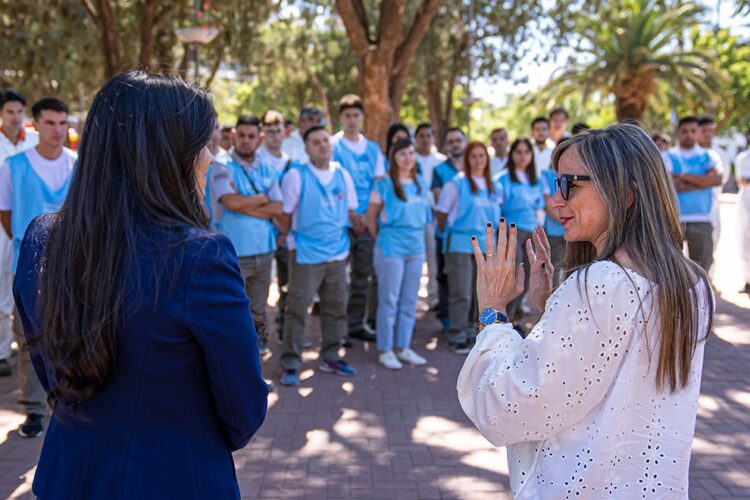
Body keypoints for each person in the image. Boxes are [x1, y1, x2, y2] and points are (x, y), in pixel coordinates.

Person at [13, 72, 269, 498]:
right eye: (204, 145)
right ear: (168, 154)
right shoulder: (200, 256)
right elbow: (243, 407)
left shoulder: (42, 237)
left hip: (70, 473)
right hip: (171, 476)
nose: (211, 160)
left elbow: (51, 367)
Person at [457, 123, 713, 498]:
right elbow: (615, 367)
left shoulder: (600, 285)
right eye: (555, 183)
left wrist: (493, 312)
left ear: (624, 193)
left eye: (570, 185)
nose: (556, 200)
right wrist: (552, 310)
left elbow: (508, 407)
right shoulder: (693, 283)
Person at [0, 97, 75, 438]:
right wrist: (28, 245)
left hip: (73, 263)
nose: (57, 130)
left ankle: (66, 401)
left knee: (69, 331)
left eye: (62, 123)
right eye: (49, 123)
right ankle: (33, 409)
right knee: (29, 334)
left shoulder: (78, 164)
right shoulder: (13, 166)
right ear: (36, 124)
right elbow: (5, 214)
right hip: (28, 266)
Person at [278, 126, 359, 386]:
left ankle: (331, 356)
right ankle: (291, 363)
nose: (322, 145)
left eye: (325, 141)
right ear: (306, 148)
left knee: (335, 309)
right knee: (297, 310)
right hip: (306, 255)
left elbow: (351, 211)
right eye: (316, 142)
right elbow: (284, 213)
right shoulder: (296, 175)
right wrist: (288, 239)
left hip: (337, 253)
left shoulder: (343, 174)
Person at [207, 114, 283, 356]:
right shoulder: (220, 165)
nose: (246, 141)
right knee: (231, 313)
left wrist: (247, 203)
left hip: (264, 250)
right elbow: (230, 202)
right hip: (233, 252)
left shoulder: (267, 167)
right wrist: (261, 199)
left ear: (260, 139)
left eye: (251, 136)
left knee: (258, 312)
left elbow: (278, 208)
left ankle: (255, 368)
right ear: (233, 136)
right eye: (241, 135)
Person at [366, 138, 431, 369]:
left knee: (409, 300)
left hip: (415, 248)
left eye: (411, 153)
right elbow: (370, 218)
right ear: (393, 157)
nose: (408, 157)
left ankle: (403, 347)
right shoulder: (383, 184)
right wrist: (382, 239)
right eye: (402, 153)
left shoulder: (421, 183)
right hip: (390, 248)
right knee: (389, 300)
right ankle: (385, 349)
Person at [437, 142, 501, 354]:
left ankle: (476, 332)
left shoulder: (494, 186)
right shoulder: (457, 183)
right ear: (466, 159)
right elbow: (442, 214)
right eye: (473, 156)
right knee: (461, 292)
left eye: (481, 156)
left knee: (480, 294)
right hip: (460, 245)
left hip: (486, 248)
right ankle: (457, 334)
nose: (477, 160)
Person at [331, 94, 385, 343]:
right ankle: (335, 330)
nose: (352, 120)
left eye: (356, 115)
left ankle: (355, 324)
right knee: (337, 278)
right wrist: (352, 215)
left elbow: (378, 184)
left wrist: (366, 216)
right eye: (347, 116)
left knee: (362, 276)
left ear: (362, 117)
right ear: (340, 118)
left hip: (366, 221)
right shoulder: (332, 146)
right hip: (339, 222)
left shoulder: (373, 149)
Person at [0, 89, 39, 378]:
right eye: (10, 111)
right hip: (3, 228)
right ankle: (3, 352)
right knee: (2, 290)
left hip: (28, 225)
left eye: (19, 112)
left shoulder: (36, 144)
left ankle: (20, 346)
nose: (15, 117)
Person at [662, 116, 723, 272]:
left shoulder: (710, 156)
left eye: (693, 131)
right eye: (684, 131)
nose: (688, 134)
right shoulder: (667, 156)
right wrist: (703, 180)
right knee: (671, 270)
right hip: (673, 220)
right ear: (678, 133)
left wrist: (682, 176)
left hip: (702, 219)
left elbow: (717, 179)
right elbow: (667, 184)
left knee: (702, 269)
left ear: (698, 133)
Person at [496, 138, 544, 325]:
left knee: (525, 278)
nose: (523, 156)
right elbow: (496, 209)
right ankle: (503, 320)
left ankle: (514, 319)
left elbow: (539, 207)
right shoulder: (502, 178)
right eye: (518, 152)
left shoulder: (536, 179)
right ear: (511, 154)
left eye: (526, 152)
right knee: (511, 278)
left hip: (531, 232)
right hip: (511, 232)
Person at [431, 127, 467, 331]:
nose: (455, 144)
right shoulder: (439, 171)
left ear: (464, 142)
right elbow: (439, 201)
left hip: (469, 234)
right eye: (451, 141)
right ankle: (445, 315)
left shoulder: (474, 169)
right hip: (446, 233)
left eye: (458, 140)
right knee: (445, 275)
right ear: (446, 146)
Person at [415, 123, 446, 311]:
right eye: (421, 136)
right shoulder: (411, 159)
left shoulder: (441, 161)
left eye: (428, 135)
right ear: (416, 138)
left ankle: (433, 297)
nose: (425, 139)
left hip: (435, 216)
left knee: (433, 259)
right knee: (417, 258)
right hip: (416, 217)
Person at [698, 116, 731, 268]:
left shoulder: (720, 154)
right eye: (704, 131)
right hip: (691, 207)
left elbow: (721, 178)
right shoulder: (689, 152)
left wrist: (698, 179)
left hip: (714, 206)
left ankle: (709, 280)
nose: (707, 134)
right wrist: (706, 178)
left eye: (710, 130)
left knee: (714, 241)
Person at [540, 164, 566, 287]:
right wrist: (567, 220)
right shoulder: (547, 175)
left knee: (573, 268)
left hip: (572, 231)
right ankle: (553, 300)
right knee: (554, 268)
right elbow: (547, 205)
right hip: (554, 231)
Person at [257, 110, 290, 175]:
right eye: (270, 132)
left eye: (278, 131)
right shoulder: (255, 160)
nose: (275, 136)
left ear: (285, 132)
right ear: (262, 133)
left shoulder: (288, 160)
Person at [737, 148, 750, 294]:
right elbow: (743, 180)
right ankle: (748, 280)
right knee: (745, 243)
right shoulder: (743, 158)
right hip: (747, 206)